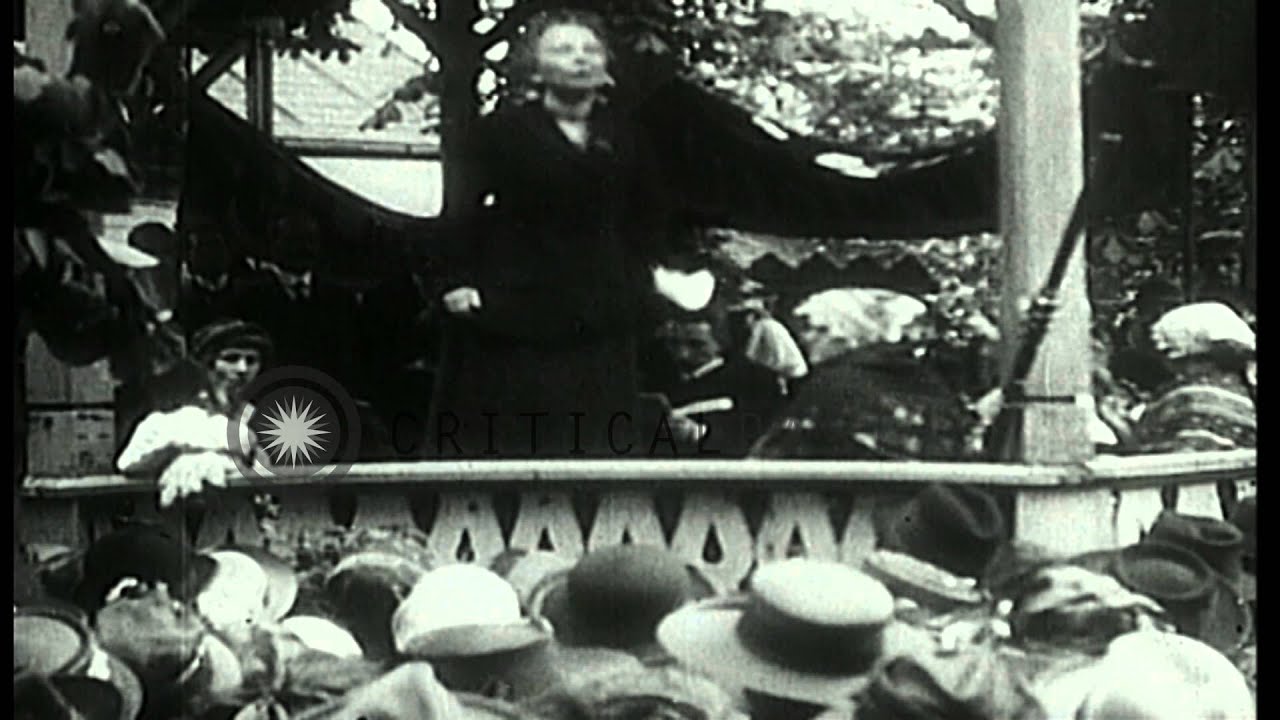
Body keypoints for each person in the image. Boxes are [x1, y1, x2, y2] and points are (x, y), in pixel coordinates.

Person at [429, 9, 682, 459]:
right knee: (514, 442)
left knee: (594, 445)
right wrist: (456, 283)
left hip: (599, 314)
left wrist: (645, 283)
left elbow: (648, 222)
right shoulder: (500, 133)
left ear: (607, 65)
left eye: (590, 49)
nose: (579, 58)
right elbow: (459, 214)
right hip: (516, 309)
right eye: (563, 49)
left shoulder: (629, 139)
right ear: (535, 68)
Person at [116, 319, 273, 508]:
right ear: (207, 365)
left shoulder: (265, 422)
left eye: (251, 361)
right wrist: (179, 452)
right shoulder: (167, 422)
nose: (242, 369)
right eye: (231, 358)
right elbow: (128, 467)